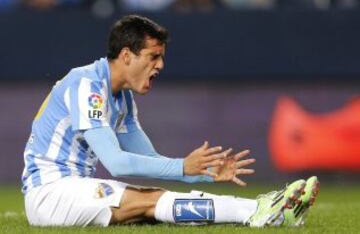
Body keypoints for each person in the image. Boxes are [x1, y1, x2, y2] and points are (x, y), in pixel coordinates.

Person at [21, 14, 319, 227]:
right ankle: (259, 212)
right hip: (50, 193)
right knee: (153, 201)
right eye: (153, 56)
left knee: (155, 204)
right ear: (126, 55)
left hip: (72, 189)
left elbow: (149, 159)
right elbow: (118, 164)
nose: (160, 65)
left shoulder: (121, 98)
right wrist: (181, 167)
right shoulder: (88, 85)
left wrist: (202, 172)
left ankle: (266, 211)